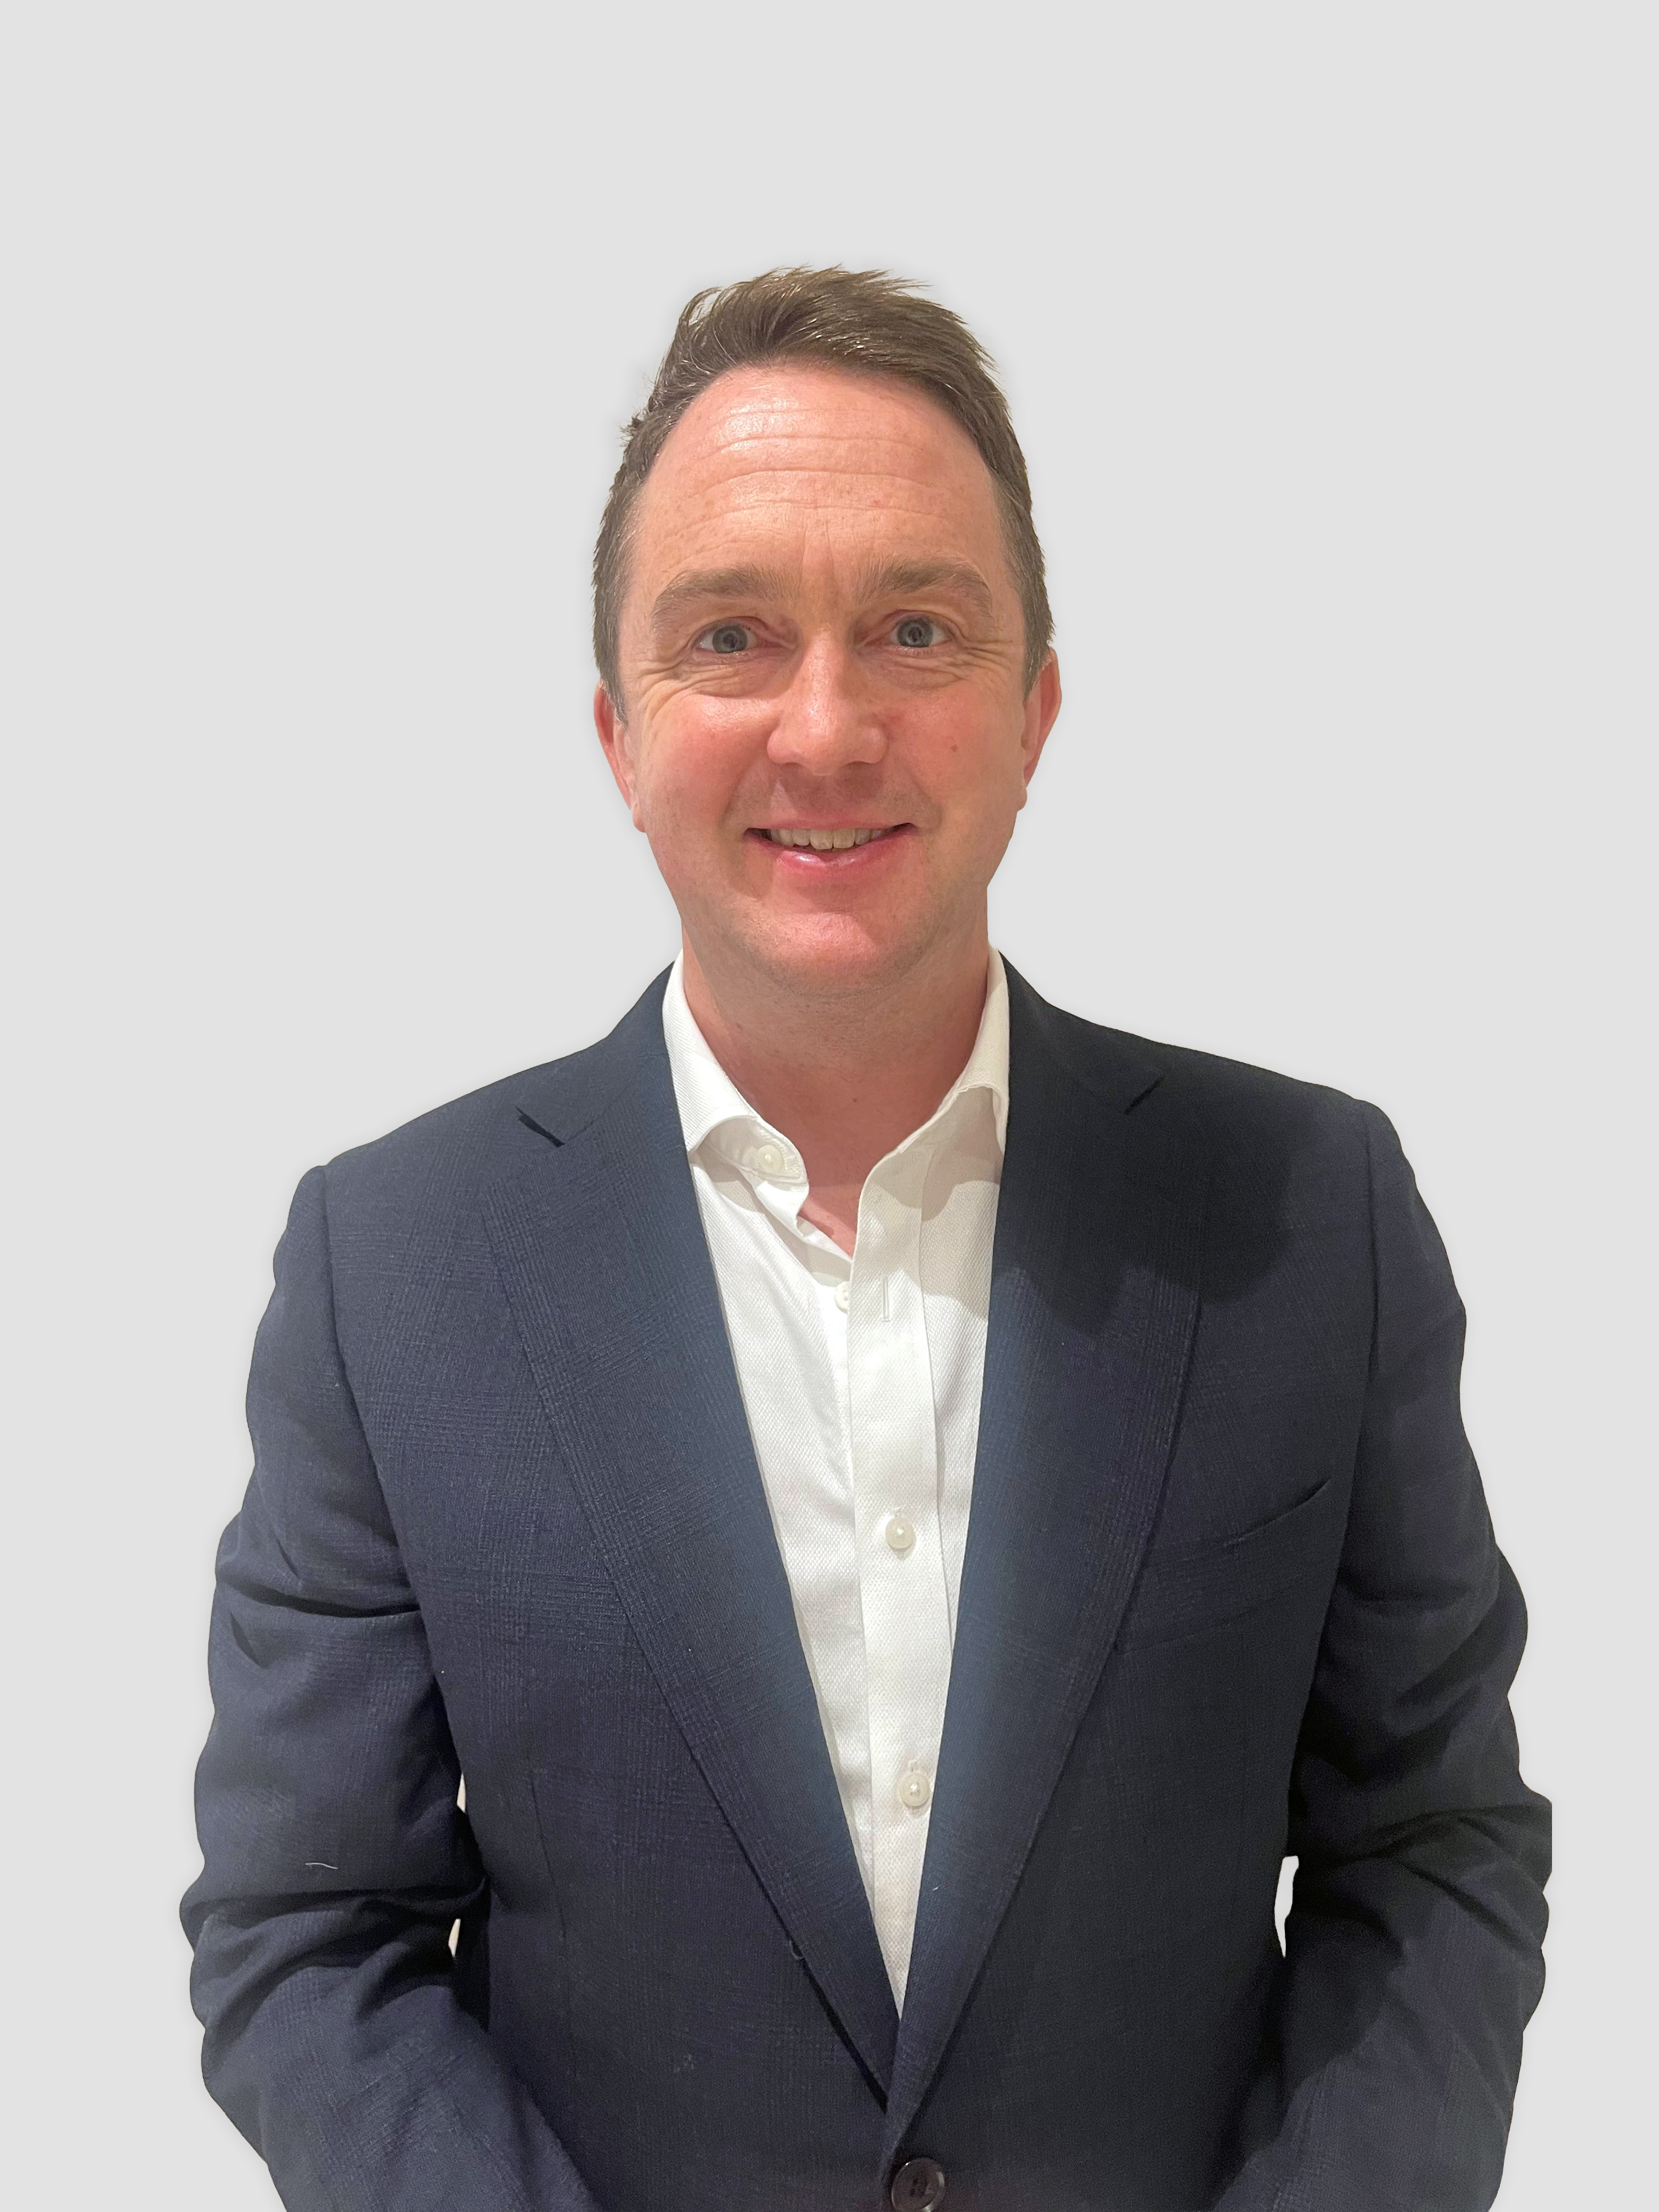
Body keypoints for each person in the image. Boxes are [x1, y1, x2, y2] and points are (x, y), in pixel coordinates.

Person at [182, 266, 1550, 2212]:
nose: (825, 730)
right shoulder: (390, 1270)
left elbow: (1430, 1851)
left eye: (916, 629)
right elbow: (310, 1937)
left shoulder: (1307, 1219)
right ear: (619, 735)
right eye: (731, 637)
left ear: (1034, 709)